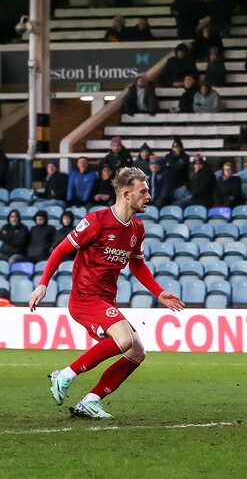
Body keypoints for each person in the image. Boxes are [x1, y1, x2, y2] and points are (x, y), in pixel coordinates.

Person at [30, 167, 184, 419]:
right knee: (124, 340)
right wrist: (43, 283)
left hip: (105, 300)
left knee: (137, 351)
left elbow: (137, 264)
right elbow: (60, 250)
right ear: (126, 194)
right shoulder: (95, 221)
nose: (149, 196)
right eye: (143, 191)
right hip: (84, 298)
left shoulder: (137, 228)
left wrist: (159, 293)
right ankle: (65, 374)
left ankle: (90, 401)